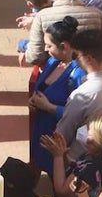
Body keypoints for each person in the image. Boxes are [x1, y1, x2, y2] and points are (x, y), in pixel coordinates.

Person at [53, 27, 102, 159]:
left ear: (89, 59)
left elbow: (63, 132)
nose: (74, 60)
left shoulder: (83, 94)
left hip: (79, 158)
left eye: (76, 56)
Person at [28, 15, 87, 174]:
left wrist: (48, 107)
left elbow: (79, 115)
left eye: (49, 46)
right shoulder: (52, 61)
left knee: (58, 175)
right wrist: (34, 101)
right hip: (42, 129)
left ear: (64, 46)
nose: (46, 49)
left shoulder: (78, 74)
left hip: (59, 138)